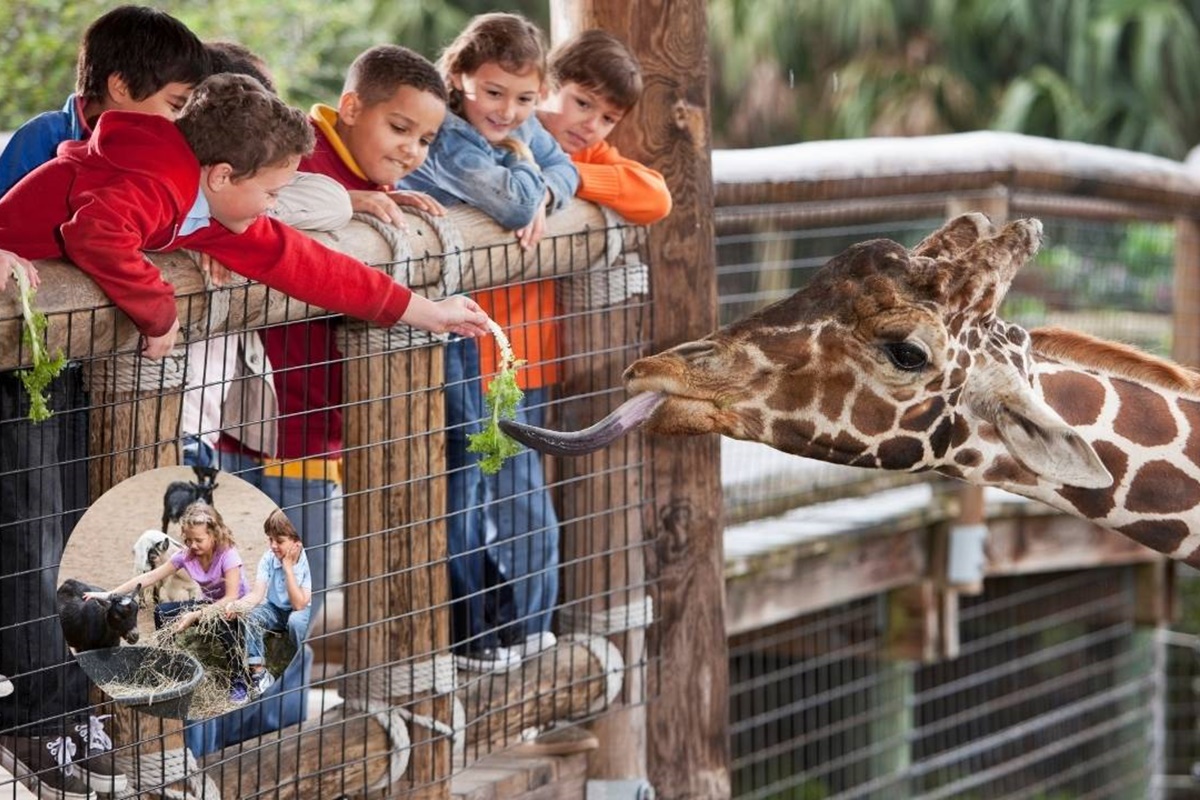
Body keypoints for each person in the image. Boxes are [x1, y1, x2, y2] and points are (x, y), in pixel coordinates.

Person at [0, 8, 207, 798]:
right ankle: (37, 714)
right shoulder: (54, 141)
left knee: (76, 529)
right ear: (123, 87)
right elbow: (88, 236)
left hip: (73, 365)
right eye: (176, 104)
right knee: (30, 530)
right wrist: (158, 312)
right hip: (24, 359)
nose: (181, 124)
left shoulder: (129, 150)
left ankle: (65, 703)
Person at [215, 43, 448, 620]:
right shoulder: (301, 164)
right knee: (269, 597)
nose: (411, 150)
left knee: (292, 598)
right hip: (275, 425)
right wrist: (350, 201)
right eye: (399, 128)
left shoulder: (368, 176)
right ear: (349, 107)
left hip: (321, 425)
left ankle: (282, 714)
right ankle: (269, 713)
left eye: (424, 140)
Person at [400, 12, 579, 672]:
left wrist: (541, 187)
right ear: (460, 80)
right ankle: (470, 630)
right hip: (431, 329)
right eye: (494, 93)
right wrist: (534, 186)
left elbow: (566, 172)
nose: (510, 112)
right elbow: (510, 204)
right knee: (463, 478)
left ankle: (498, 627)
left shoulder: (515, 129)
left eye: (527, 99)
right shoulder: (449, 137)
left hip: (475, 330)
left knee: (484, 476)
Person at [91, 503, 253, 704]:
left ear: (214, 535)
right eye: (188, 539)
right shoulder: (187, 555)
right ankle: (170, 664)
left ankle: (238, 680)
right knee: (162, 612)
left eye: (199, 540)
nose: (192, 545)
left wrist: (195, 615)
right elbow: (150, 577)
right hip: (209, 603)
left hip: (235, 606)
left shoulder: (228, 555)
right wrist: (109, 594)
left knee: (227, 622)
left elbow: (231, 597)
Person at [226, 510, 312, 698]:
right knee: (251, 615)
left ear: (297, 542)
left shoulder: (307, 561)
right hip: (275, 609)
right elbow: (257, 594)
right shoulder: (268, 558)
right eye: (270, 540)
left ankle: (301, 669)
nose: (273, 546)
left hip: (302, 610)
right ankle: (259, 674)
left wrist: (288, 568)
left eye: (279, 541)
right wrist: (238, 605)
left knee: (296, 622)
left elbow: (299, 605)